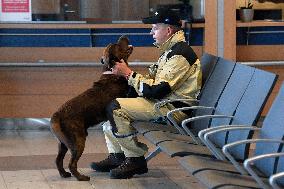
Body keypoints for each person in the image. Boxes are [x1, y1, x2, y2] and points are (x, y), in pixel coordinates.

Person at [90, 8, 202, 179]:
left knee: (115, 109)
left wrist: (128, 74)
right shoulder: (170, 52)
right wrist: (125, 75)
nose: (151, 32)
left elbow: (157, 90)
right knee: (112, 105)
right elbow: (153, 82)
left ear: (168, 30)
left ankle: (135, 159)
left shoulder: (180, 55)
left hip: (173, 110)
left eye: (155, 28)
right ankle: (117, 156)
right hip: (163, 104)